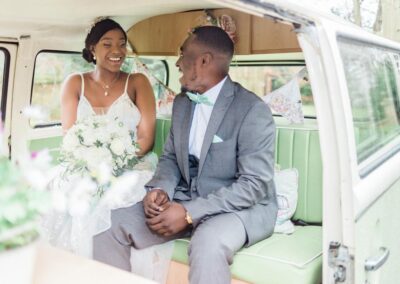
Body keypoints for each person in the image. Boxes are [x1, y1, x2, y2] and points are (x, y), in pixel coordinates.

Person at [93, 26, 278, 284]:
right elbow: (170, 158)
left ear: (203, 60)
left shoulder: (252, 110)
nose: (178, 63)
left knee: (208, 244)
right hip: (185, 196)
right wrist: (160, 191)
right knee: (108, 224)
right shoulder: (182, 102)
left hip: (238, 207)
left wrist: (189, 212)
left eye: (183, 54)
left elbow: (254, 185)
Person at [42, 18, 173, 283]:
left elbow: (145, 139)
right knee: (61, 195)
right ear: (92, 48)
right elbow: (70, 135)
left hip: (133, 164)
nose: (117, 51)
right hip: (84, 164)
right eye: (107, 44)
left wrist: (113, 160)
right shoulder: (74, 83)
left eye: (122, 45)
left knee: (107, 201)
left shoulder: (137, 82)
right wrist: (91, 162)